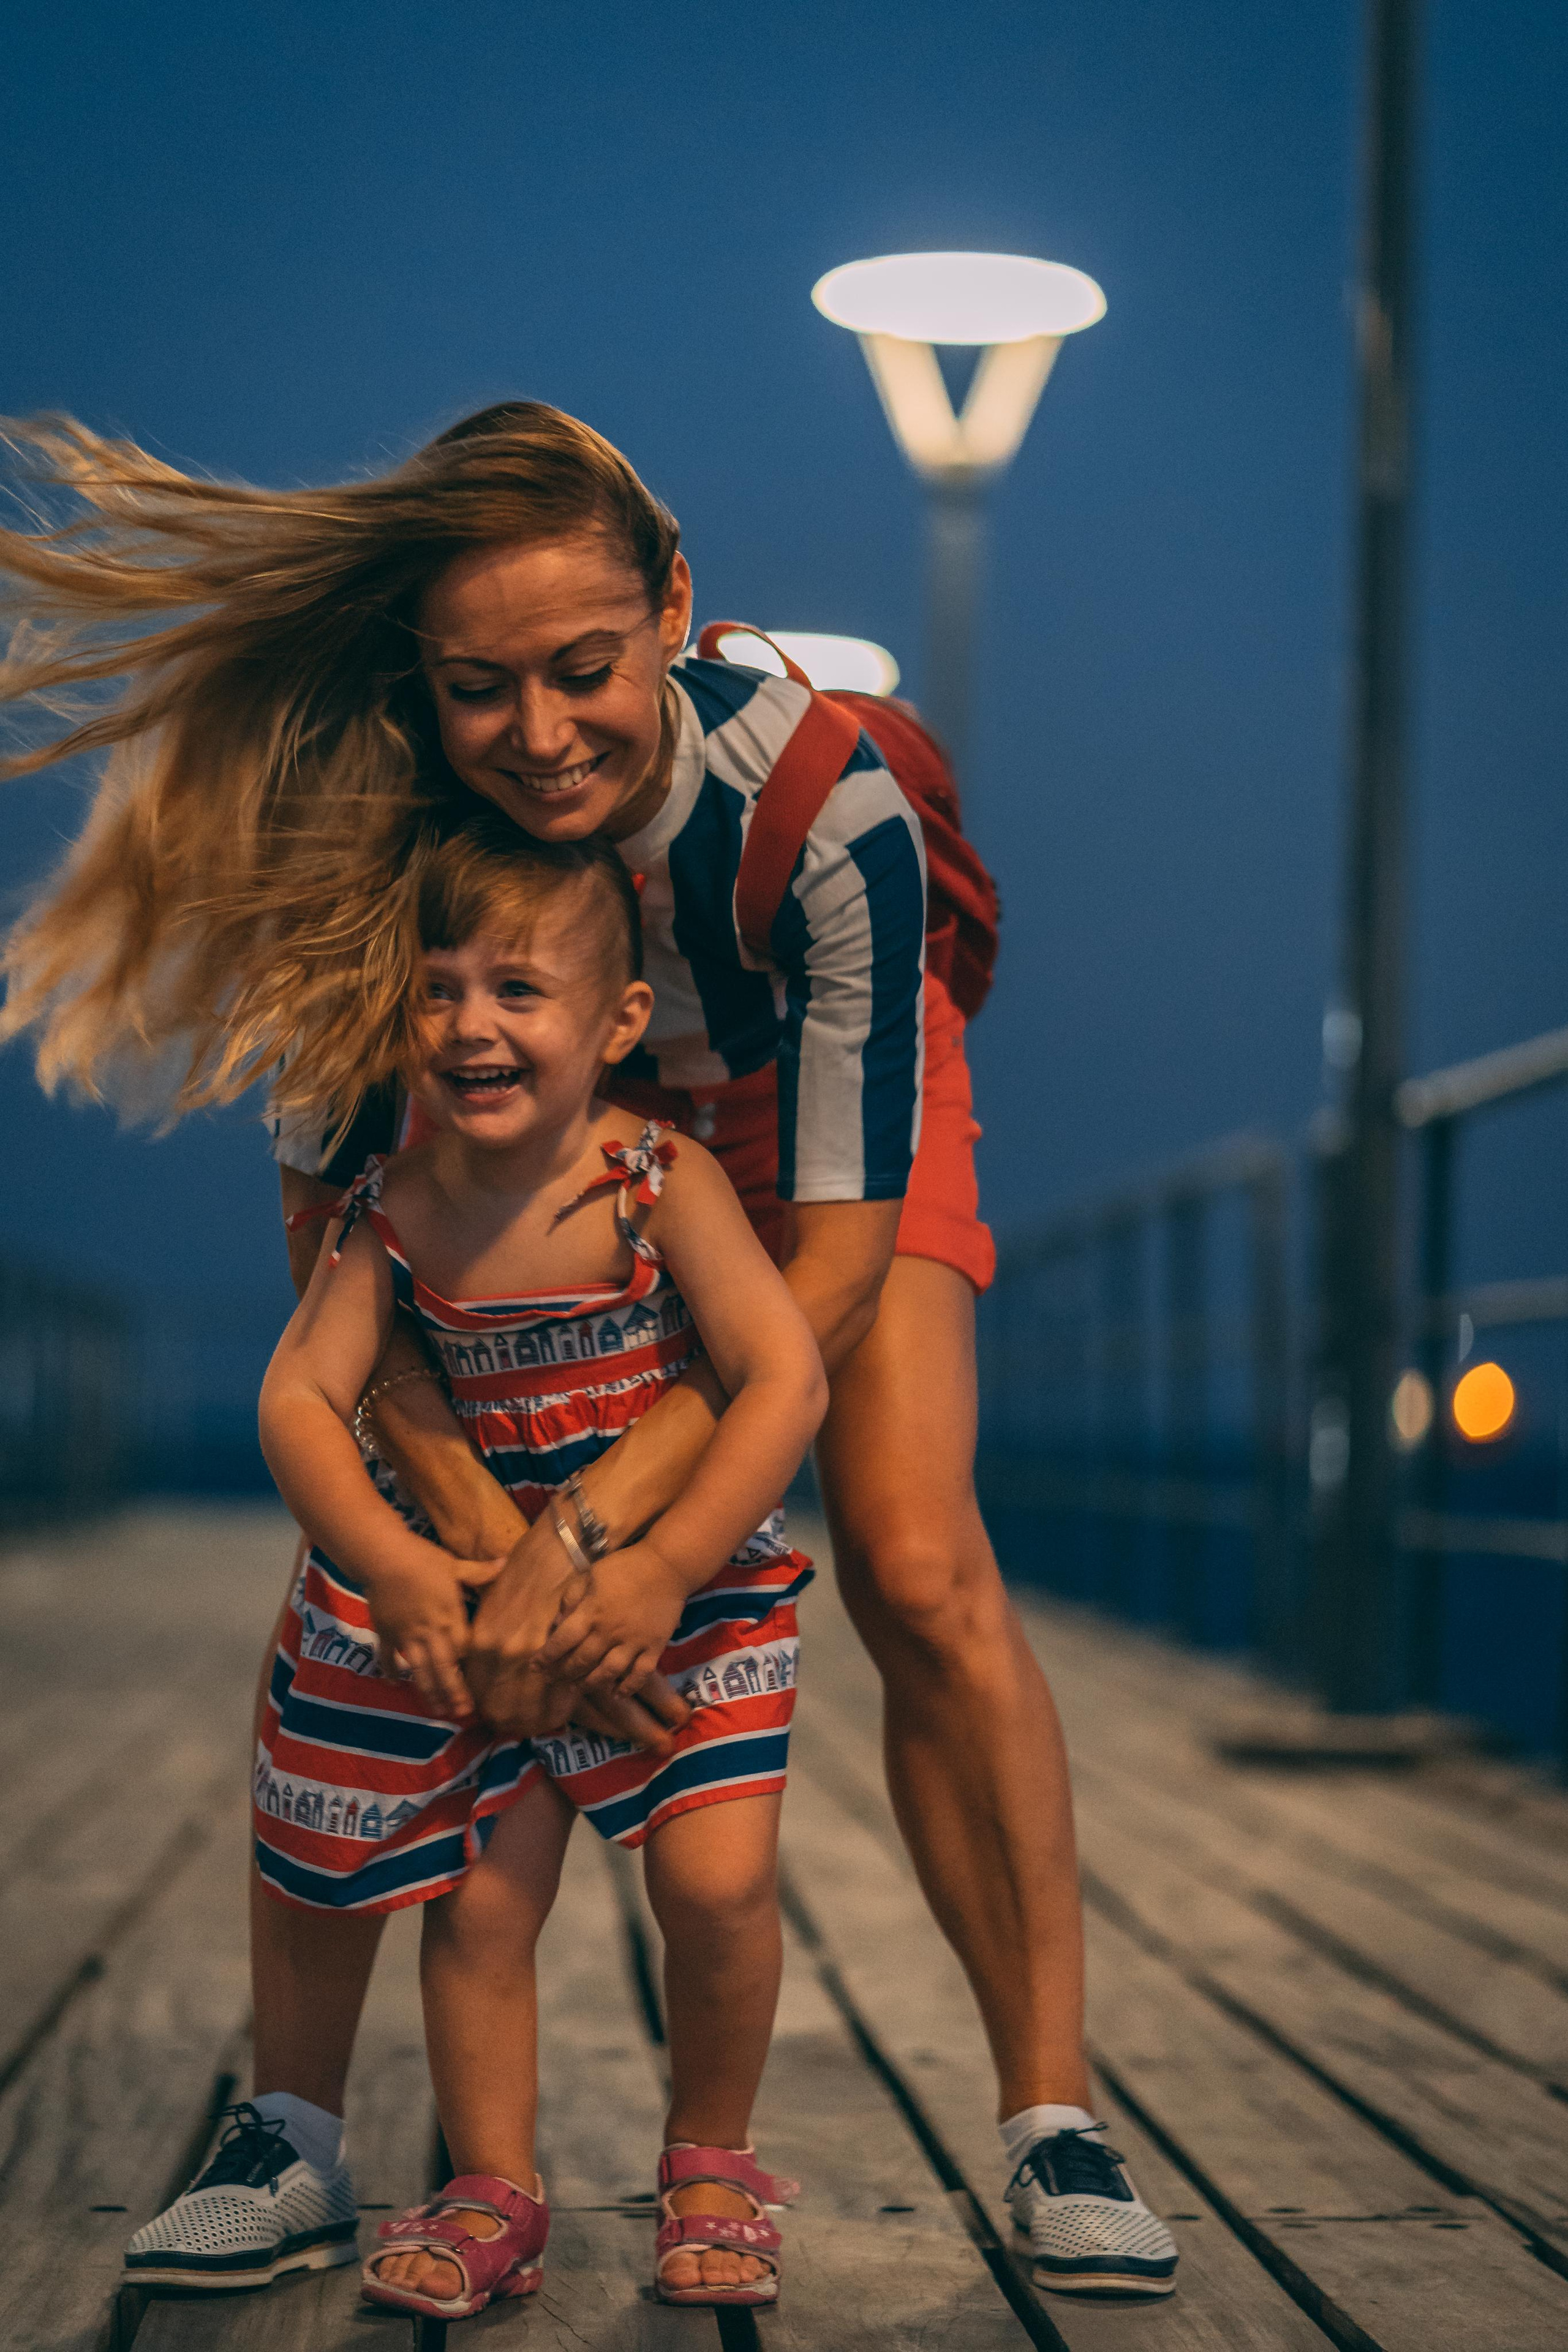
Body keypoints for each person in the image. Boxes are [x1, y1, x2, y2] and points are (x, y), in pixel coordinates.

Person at [0, 402, 1178, 2299]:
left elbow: (833, 1277)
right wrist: (476, 1533)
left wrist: (613, 1537)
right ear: (423, 679)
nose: (539, 733)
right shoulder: (368, 834)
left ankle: (1056, 2117)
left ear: (673, 609)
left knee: (914, 1556)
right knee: (360, 1594)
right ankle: (289, 2127)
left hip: (795, 1124)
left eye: (583, 668)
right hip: (516, 1101)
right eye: (480, 687)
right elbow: (337, 1260)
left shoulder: (821, 811)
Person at [146, 816, 825, 2316]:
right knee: (479, 1902)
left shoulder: (658, 1181)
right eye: (437, 989)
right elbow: (299, 1398)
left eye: (517, 989)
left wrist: (663, 1569)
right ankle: (491, 2188)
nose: (471, 1025)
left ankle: (712, 2162)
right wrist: (389, 1562)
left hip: (681, 1600)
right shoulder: (396, 1208)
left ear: (617, 1021)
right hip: (475, 1597)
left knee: (717, 1885)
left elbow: (781, 1377)